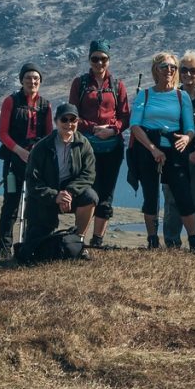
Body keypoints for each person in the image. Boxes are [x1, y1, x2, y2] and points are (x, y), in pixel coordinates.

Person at [131, 51, 195, 252]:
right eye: (165, 67)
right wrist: (153, 149)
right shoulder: (144, 95)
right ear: (156, 70)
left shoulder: (182, 97)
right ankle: (153, 240)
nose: (170, 71)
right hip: (148, 149)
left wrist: (187, 138)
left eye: (173, 67)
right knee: (151, 196)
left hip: (174, 150)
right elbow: (135, 126)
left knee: (183, 194)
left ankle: (194, 241)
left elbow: (190, 128)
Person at [69, 39, 130, 248]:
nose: (99, 63)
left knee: (107, 191)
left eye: (103, 59)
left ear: (109, 60)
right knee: (88, 190)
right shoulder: (80, 83)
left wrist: (113, 130)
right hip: (86, 146)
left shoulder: (117, 85)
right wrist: (93, 128)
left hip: (112, 147)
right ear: (89, 60)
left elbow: (125, 116)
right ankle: (80, 238)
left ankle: (98, 240)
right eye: (95, 59)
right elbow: (72, 114)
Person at [0, 63, 53, 257]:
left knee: (35, 203)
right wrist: (19, 151)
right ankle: (3, 251)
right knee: (10, 204)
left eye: (36, 78)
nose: (32, 81)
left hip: (36, 162)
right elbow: (2, 133)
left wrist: (37, 151)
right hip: (13, 160)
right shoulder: (10, 101)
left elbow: (48, 135)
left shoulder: (45, 105)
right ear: (21, 80)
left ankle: (30, 247)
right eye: (28, 78)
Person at [22, 103, 98, 243]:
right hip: (46, 196)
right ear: (56, 121)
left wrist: (69, 193)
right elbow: (32, 181)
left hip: (71, 194)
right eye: (64, 120)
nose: (69, 124)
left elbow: (88, 174)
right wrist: (55, 196)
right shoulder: (42, 147)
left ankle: (78, 241)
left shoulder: (83, 144)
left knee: (90, 197)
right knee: (38, 246)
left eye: (73, 120)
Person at [162, 50, 195, 248]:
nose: (188, 75)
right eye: (184, 70)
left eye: (193, 71)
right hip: (175, 157)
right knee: (172, 199)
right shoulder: (172, 96)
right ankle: (172, 242)